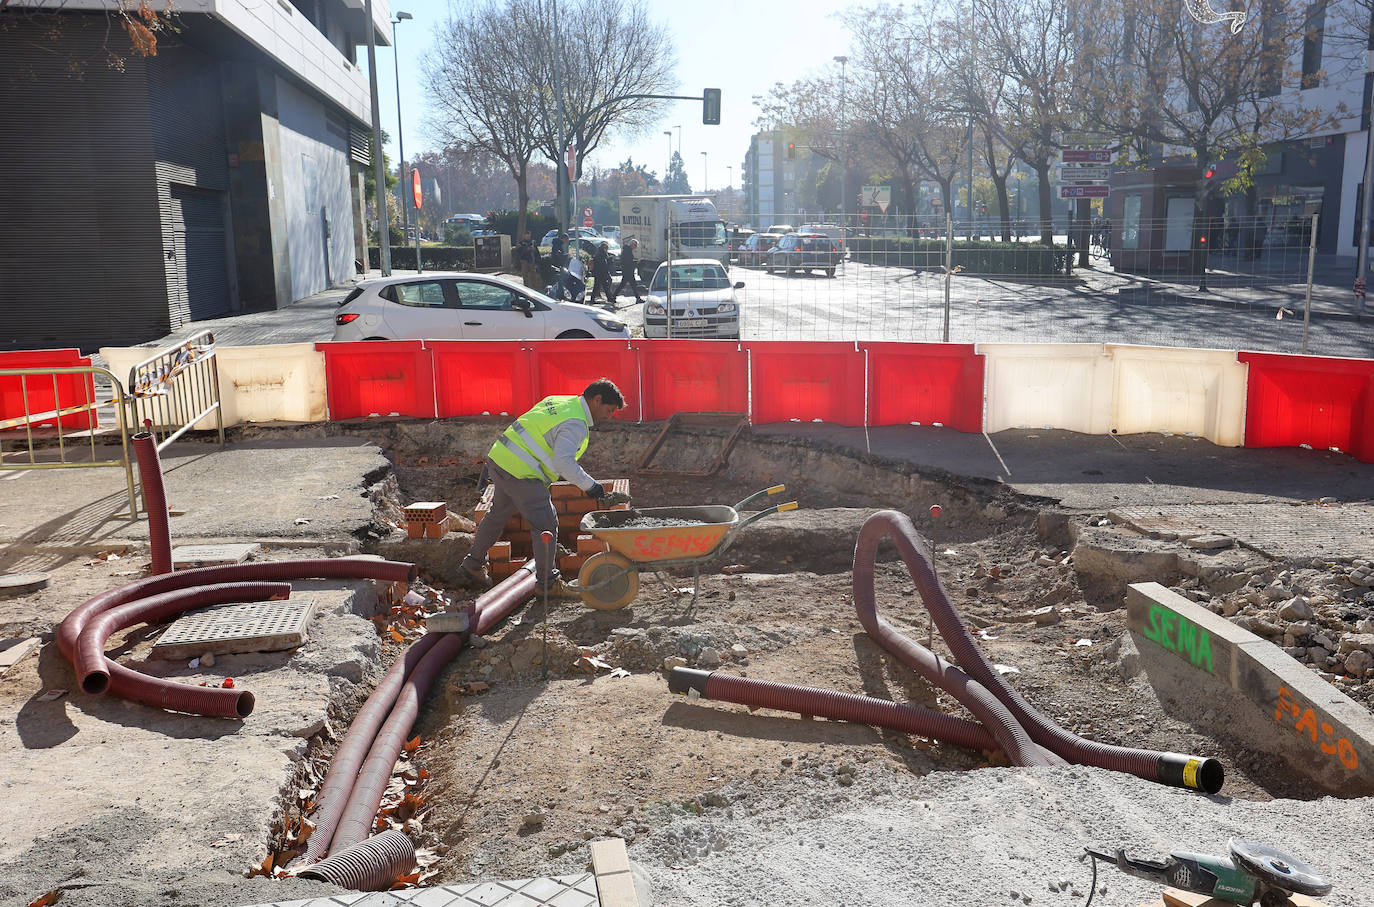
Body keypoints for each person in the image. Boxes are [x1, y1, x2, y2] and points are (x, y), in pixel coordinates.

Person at [456, 379, 633, 597]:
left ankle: (473, 564)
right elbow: (563, 462)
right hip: (522, 472)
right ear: (596, 400)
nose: (609, 416)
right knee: (546, 523)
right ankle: (548, 583)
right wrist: (591, 487)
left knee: (497, 515)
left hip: (500, 459)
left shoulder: (560, 402)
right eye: (609, 409)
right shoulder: (575, 423)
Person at [613, 238, 644, 303]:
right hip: (628, 270)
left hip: (628, 270)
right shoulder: (627, 251)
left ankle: (637, 298)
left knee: (632, 285)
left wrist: (635, 261)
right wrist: (636, 262)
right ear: (632, 245)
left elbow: (629, 260)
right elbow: (628, 262)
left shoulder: (627, 250)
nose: (636, 247)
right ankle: (613, 296)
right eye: (635, 245)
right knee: (626, 285)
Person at [591, 241, 614, 307]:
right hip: (600, 273)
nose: (607, 250)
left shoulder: (600, 253)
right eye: (606, 249)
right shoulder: (601, 254)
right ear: (604, 248)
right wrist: (610, 259)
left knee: (602, 286)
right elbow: (603, 264)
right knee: (599, 286)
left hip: (599, 273)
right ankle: (609, 298)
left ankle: (609, 298)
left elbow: (604, 261)